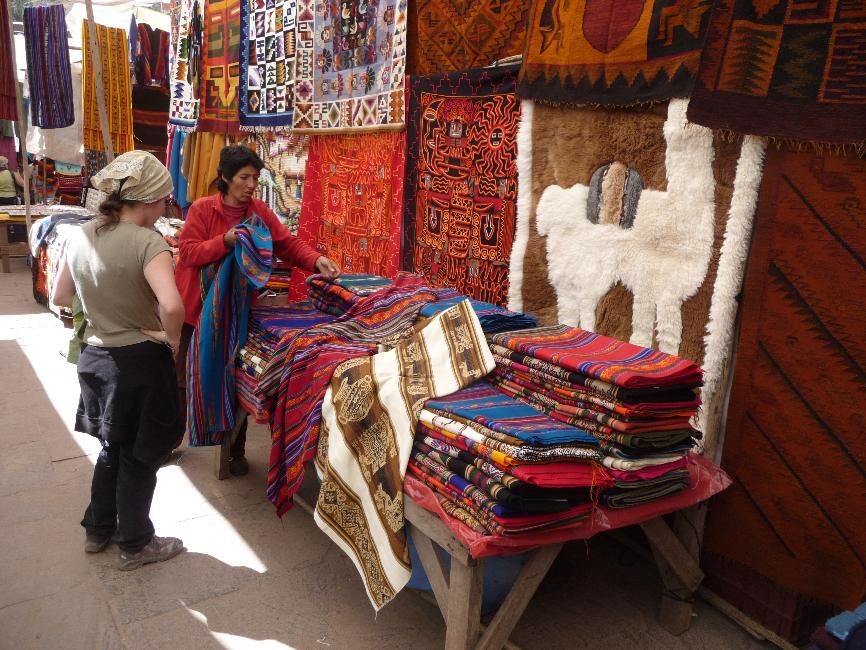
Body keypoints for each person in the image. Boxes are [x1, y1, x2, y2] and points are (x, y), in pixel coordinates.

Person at [53, 151, 186, 571]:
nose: (165, 206)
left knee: (113, 447)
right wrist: (172, 339)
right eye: (163, 199)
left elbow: (59, 298)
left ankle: (98, 530)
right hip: (138, 364)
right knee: (141, 454)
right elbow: (172, 304)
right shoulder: (150, 243)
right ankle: (135, 541)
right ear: (146, 200)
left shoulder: (79, 235)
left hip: (95, 360)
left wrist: (100, 314)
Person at [175, 145, 340, 476]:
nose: (251, 185)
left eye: (255, 177)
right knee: (187, 375)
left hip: (238, 311)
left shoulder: (259, 212)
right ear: (224, 177)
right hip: (199, 308)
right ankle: (174, 436)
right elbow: (189, 253)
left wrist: (314, 260)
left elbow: (285, 244)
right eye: (244, 177)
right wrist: (225, 241)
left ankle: (234, 449)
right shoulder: (204, 210)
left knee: (234, 374)